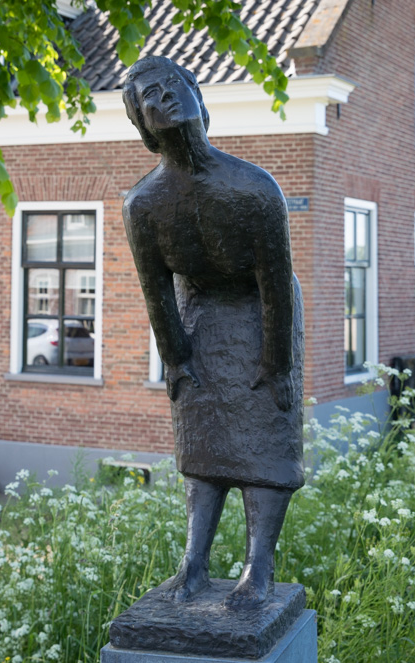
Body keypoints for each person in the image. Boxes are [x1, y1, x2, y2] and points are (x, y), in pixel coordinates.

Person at [122, 56, 305, 608]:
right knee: (200, 436)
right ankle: (194, 563)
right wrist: (177, 364)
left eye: (174, 84)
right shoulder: (144, 205)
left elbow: (274, 285)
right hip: (198, 310)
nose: (165, 96)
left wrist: (278, 366)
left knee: (265, 435)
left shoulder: (255, 189)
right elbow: (156, 294)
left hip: (261, 313)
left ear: (200, 97)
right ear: (142, 127)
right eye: (149, 95)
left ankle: (259, 568)